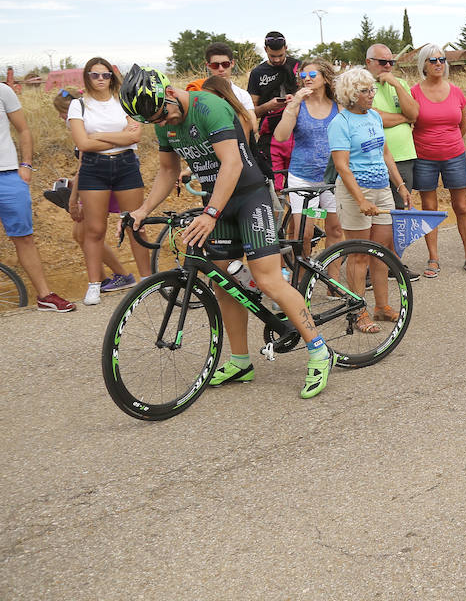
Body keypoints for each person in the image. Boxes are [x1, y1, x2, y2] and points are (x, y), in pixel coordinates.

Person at [121, 65, 335, 397]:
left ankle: (320, 351)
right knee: (224, 283)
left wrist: (208, 213)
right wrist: (142, 211)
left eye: (162, 115)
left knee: (268, 280)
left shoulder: (208, 106)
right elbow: (167, 170)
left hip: (250, 198)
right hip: (218, 203)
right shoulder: (163, 122)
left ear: (169, 93)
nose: (162, 124)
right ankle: (239, 361)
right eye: (154, 122)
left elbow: (232, 164)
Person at [329, 67, 412, 331]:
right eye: (365, 91)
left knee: (381, 252)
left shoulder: (374, 116)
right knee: (359, 256)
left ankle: (382, 307)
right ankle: (357, 312)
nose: (371, 95)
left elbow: (386, 154)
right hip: (357, 192)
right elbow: (341, 165)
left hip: (381, 189)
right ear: (351, 95)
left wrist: (399, 185)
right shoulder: (340, 123)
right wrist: (360, 200)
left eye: (371, 89)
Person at [66, 57, 153, 304]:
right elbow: (82, 143)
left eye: (106, 75)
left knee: (135, 223)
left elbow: (135, 137)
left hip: (126, 164)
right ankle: (94, 284)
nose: (101, 79)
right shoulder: (79, 105)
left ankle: (147, 279)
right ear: (87, 77)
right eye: (96, 75)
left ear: (112, 77)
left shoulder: (124, 100)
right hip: (94, 167)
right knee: (94, 228)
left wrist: (100, 135)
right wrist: (119, 136)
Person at [1, 81, 75, 311]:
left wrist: (26, 164)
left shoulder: (3, 90)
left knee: (24, 238)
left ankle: (45, 296)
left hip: (8, 175)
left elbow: (23, 129)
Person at [410, 43, 466, 275]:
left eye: (442, 59)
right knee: (429, 207)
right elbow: (409, 124)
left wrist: (448, 144)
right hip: (424, 158)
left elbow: (463, 126)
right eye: (433, 60)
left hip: (454, 155)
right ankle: (433, 258)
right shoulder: (414, 92)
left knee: (461, 206)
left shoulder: (456, 91)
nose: (439, 63)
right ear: (423, 65)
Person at [272, 58, 344, 254]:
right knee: (304, 234)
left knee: (336, 230)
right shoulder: (298, 105)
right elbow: (280, 136)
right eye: (303, 75)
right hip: (302, 178)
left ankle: (333, 281)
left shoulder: (338, 105)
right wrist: (293, 105)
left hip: (332, 178)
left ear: (326, 78)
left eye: (313, 75)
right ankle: (303, 281)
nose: (307, 79)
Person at [364, 43, 420, 212]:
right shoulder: (361, 85)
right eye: (382, 62)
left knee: (401, 209)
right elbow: (373, 118)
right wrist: (404, 118)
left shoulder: (400, 83)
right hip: (373, 158)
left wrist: (396, 85)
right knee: (377, 212)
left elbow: (414, 114)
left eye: (391, 62)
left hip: (403, 157)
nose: (388, 66)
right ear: (368, 62)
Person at [246, 30, 299, 190]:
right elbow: (251, 111)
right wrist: (268, 106)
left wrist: (296, 99)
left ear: (286, 48)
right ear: (265, 49)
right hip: (270, 137)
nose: (277, 60)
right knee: (273, 189)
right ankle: (275, 215)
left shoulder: (298, 66)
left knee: (297, 189)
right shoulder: (257, 73)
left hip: (298, 134)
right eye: (272, 56)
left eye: (281, 56)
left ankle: (298, 216)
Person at [203, 42, 255, 114]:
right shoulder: (198, 93)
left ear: (232, 63)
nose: (221, 69)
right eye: (215, 65)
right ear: (208, 66)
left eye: (225, 64)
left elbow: (251, 123)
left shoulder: (243, 95)